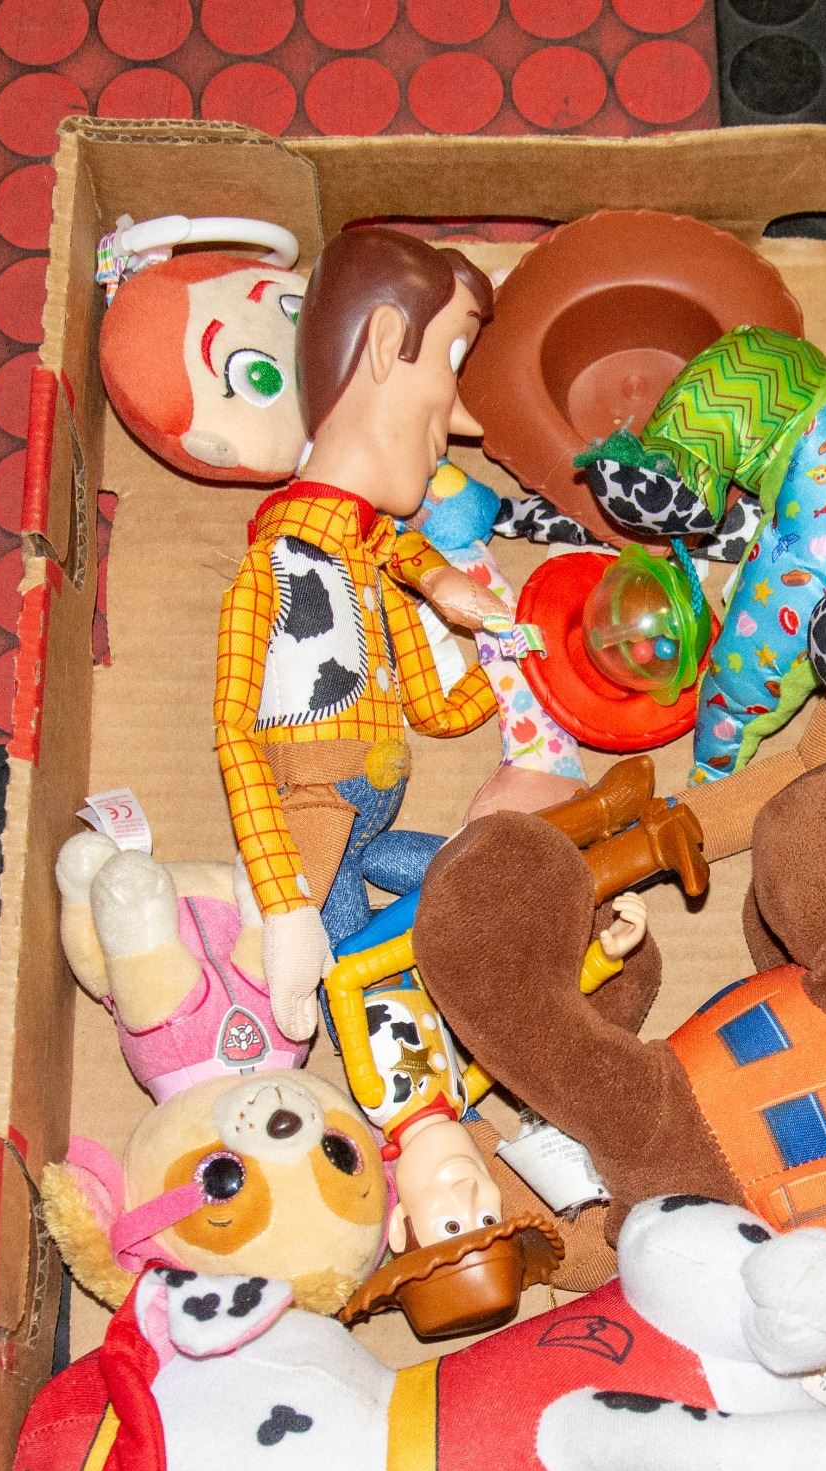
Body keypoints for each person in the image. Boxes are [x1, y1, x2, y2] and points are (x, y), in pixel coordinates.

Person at [215, 227, 510, 1038]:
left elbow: (434, 710)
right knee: (352, 974)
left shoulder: (377, 560)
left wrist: (503, 656)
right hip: (317, 827)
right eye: (450, 362)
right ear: (383, 341)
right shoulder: (274, 569)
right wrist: (284, 902)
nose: (457, 421)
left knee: (472, 877)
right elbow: (235, 738)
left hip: (368, 823)